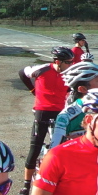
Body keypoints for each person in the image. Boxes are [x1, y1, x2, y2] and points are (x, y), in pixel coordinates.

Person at [26, 48, 77, 179]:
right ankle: (26, 184)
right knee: (35, 146)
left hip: (59, 111)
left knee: (60, 146)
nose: (70, 65)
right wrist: (33, 89)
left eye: (71, 62)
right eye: (67, 62)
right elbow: (22, 73)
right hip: (42, 110)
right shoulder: (42, 69)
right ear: (58, 61)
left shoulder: (69, 73)